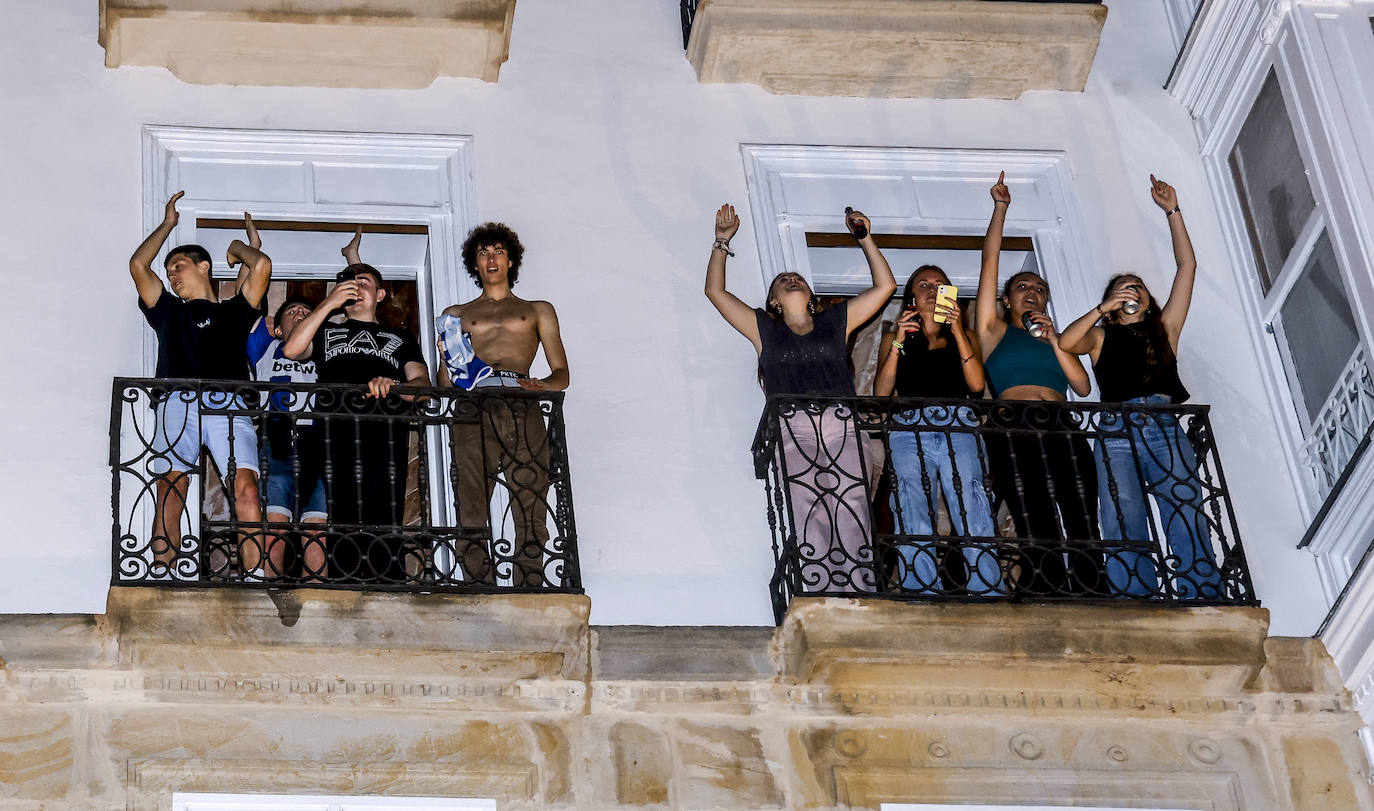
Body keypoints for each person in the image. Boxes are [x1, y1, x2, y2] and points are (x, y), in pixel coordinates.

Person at [705, 203, 897, 593]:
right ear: (775, 300)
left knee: (852, 505)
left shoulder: (834, 321)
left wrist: (865, 238)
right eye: (782, 280)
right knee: (808, 507)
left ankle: (860, 589)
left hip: (842, 421)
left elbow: (885, 288)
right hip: (794, 426)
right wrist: (722, 242)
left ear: (810, 294)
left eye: (797, 278)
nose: (791, 279)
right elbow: (715, 291)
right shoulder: (764, 328)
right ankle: (821, 589)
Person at [1058, 175, 1222, 599]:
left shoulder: (1164, 329)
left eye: (1138, 287)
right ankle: (1134, 595)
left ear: (1147, 300)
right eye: (1121, 287)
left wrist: (1173, 211)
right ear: (1113, 301)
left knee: (1183, 505)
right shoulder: (1100, 336)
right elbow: (1066, 342)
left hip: (1164, 424)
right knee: (1120, 514)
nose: (1131, 289)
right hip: (1115, 431)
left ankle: (1201, 590)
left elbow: (1187, 268)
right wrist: (1102, 308)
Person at [130, 194, 272, 579]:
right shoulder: (168, 310)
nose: (172, 275)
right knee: (169, 490)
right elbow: (138, 265)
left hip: (230, 406)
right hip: (177, 401)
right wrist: (167, 224)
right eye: (170, 271)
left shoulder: (235, 312)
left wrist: (240, 248)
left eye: (178, 266)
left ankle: (256, 579)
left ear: (203, 267)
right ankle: (163, 574)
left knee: (245, 489)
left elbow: (261, 266)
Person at [974, 173, 1102, 597]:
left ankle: (1089, 587)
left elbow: (1082, 389)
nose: (1032, 293)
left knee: (1081, 508)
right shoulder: (994, 332)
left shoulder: (1060, 338)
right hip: (1014, 422)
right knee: (1035, 510)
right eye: (1023, 287)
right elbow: (989, 263)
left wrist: (1054, 339)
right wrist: (1001, 209)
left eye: (1040, 289)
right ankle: (1043, 585)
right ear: (1008, 300)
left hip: (1061, 421)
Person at [282, 231, 429, 583]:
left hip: (384, 437)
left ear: (379, 294)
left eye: (364, 282)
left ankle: (390, 590)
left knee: (384, 518)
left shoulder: (400, 337)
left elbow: (422, 388)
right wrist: (328, 304)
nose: (355, 286)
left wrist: (394, 385)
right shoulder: (327, 332)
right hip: (335, 436)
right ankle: (343, 594)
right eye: (349, 282)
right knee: (340, 521)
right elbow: (291, 349)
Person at [436, 222, 570, 588]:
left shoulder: (537, 309)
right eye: (483, 253)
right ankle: (479, 581)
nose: (491, 258)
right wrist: (446, 357)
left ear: (511, 260)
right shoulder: (457, 313)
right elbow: (444, 385)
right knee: (471, 495)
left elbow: (561, 374)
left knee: (531, 492)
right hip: (474, 402)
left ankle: (529, 582)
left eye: (497, 251)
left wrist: (538, 385)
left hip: (521, 399)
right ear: (474, 264)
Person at [875, 266, 999, 595]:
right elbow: (881, 393)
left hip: (958, 421)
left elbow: (976, 385)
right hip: (908, 426)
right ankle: (921, 589)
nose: (932, 289)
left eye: (940, 284)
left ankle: (986, 587)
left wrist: (958, 330)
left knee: (971, 500)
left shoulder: (964, 335)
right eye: (924, 284)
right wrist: (899, 340)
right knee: (911, 505)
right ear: (911, 296)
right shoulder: (894, 337)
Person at [246, 294, 328, 581]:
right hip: (275, 438)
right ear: (277, 329)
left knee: (316, 528)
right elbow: (251, 300)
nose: (300, 313)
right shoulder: (266, 348)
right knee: (274, 525)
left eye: (307, 310)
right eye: (292, 311)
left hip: (315, 443)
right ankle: (269, 594)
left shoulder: (324, 352)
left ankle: (318, 597)